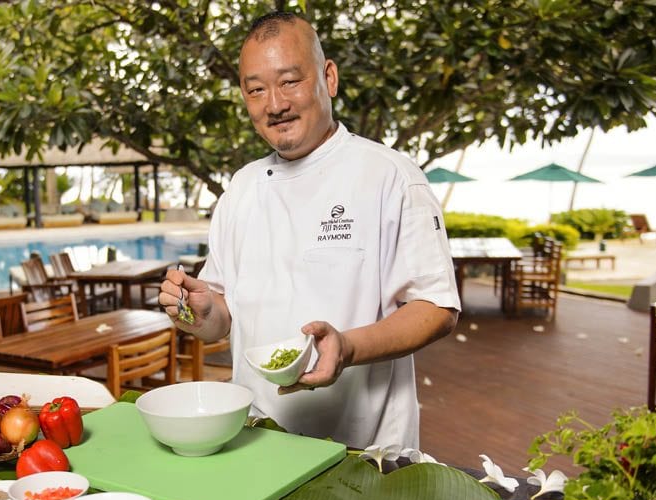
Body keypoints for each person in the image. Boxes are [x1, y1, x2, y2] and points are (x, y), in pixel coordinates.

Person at [159, 11, 460, 450]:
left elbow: (436, 308)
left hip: (366, 451)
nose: (274, 104)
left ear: (329, 78)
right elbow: (221, 319)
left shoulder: (390, 175)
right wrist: (202, 313)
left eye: (290, 81)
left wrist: (348, 348)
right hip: (257, 438)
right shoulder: (241, 189)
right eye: (256, 89)